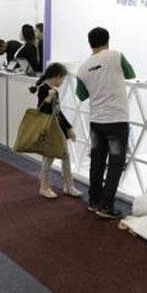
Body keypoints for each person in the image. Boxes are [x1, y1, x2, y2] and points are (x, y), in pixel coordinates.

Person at [76, 27, 136, 219]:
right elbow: (131, 74)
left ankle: (94, 201)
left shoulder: (83, 68)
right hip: (116, 119)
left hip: (96, 121)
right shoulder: (116, 56)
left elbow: (81, 95)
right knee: (116, 164)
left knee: (97, 162)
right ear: (108, 40)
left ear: (89, 43)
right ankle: (106, 206)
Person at [31, 63, 82, 199]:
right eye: (62, 79)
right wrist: (49, 98)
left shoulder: (54, 91)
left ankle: (68, 185)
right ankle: (44, 187)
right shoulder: (44, 89)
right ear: (57, 76)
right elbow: (41, 110)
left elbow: (58, 112)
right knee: (49, 158)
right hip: (48, 129)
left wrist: (69, 127)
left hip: (56, 128)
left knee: (64, 156)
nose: (62, 82)